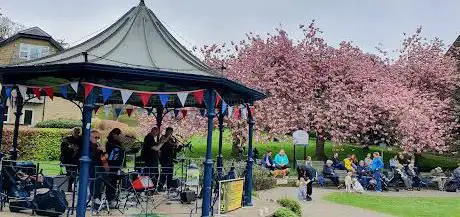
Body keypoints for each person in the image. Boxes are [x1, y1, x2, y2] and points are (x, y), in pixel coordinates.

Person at [104, 128, 126, 207]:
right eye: (118, 135)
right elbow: (109, 154)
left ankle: (113, 198)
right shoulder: (109, 143)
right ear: (114, 134)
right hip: (111, 165)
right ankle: (109, 199)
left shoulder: (118, 143)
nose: (119, 136)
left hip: (117, 165)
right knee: (110, 182)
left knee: (114, 183)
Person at [157, 127, 182, 192]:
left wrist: (178, 147)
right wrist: (173, 144)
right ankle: (160, 186)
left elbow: (173, 149)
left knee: (170, 173)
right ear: (166, 132)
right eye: (169, 132)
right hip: (164, 158)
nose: (170, 133)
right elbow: (164, 145)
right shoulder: (163, 137)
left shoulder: (171, 139)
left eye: (171, 132)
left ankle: (169, 186)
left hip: (170, 158)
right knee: (164, 172)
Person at [60, 127, 82, 192]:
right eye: (75, 131)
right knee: (71, 174)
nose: (77, 133)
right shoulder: (67, 139)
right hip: (69, 160)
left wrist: (77, 149)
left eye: (78, 131)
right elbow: (63, 151)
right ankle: (68, 187)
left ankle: (77, 187)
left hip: (79, 159)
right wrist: (71, 149)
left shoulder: (82, 139)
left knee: (80, 174)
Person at [88, 129, 106, 208]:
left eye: (98, 138)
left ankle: (98, 197)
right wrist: (98, 151)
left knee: (100, 181)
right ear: (90, 137)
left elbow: (102, 158)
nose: (97, 139)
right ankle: (94, 197)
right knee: (95, 181)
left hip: (98, 167)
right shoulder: (88, 145)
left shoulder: (97, 145)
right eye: (96, 137)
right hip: (91, 168)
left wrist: (103, 152)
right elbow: (90, 157)